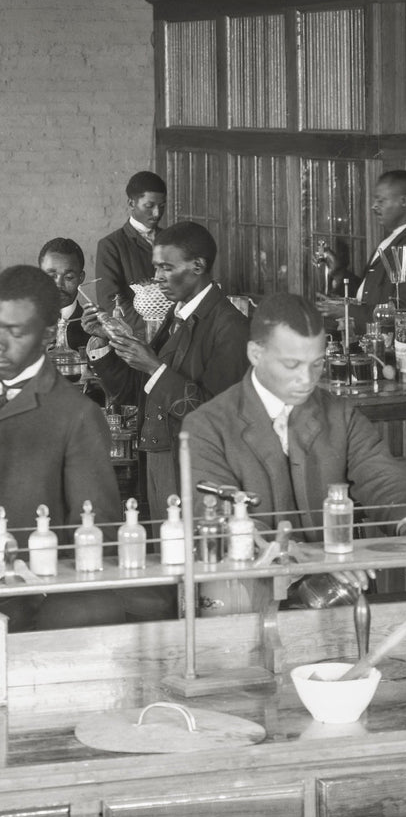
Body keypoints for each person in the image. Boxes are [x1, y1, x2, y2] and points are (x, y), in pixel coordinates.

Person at [186, 291, 406, 555]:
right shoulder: (206, 426)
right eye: (292, 365)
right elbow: (215, 513)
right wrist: (281, 551)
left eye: (317, 364)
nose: (307, 379)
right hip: (249, 588)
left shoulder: (339, 414)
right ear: (255, 353)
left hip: (338, 583)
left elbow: (381, 477)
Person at [88, 221, 250, 520]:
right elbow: (136, 391)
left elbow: (214, 414)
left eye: (166, 268)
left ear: (198, 266)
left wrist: (153, 365)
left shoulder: (230, 327)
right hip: (160, 458)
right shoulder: (177, 315)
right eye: (156, 268)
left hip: (195, 467)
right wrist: (108, 341)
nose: (157, 278)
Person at [0, 265, 124, 632]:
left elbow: (95, 538)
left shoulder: (76, 415)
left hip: (26, 605)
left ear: (48, 335)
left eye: (16, 333)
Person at [319, 169, 406, 350]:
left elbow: (403, 310)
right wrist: (340, 274)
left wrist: (347, 311)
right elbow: (371, 295)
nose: (374, 206)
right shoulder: (398, 238)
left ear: (404, 201)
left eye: (381, 200)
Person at [94, 170, 166, 313]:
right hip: (134, 332)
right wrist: (154, 326)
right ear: (131, 203)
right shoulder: (111, 246)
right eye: (149, 206)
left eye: (162, 206)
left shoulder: (171, 240)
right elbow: (111, 303)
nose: (157, 213)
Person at [38, 237, 89, 351]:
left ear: (81, 278)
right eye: (51, 276)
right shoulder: (20, 324)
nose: (59, 284)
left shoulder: (94, 330)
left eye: (69, 277)